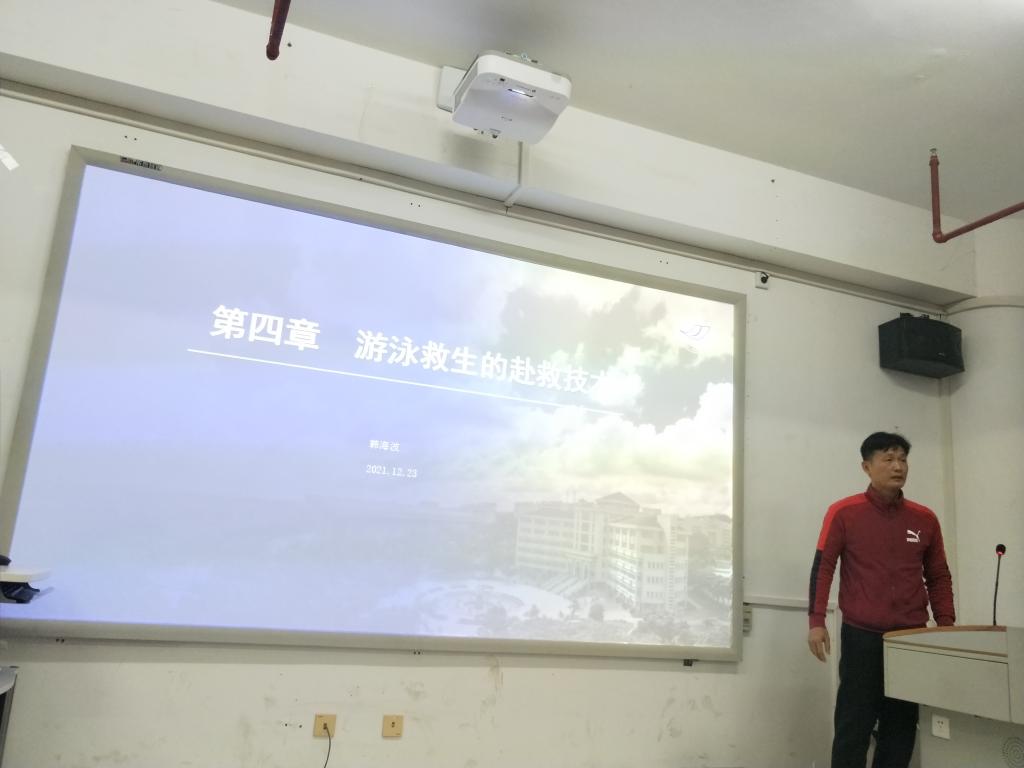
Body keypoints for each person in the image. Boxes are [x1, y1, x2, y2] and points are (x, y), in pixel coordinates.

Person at [807, 431, 955, 768]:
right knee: (853, 726)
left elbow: (939, 576)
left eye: (902, 459)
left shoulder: (925, 518)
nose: (898, 466)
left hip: (911, 639)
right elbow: (823, 567)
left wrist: (946, 626)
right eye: (888, 459)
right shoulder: (843, 512)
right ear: (867, 467)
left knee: (901, 729)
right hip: (862, 637)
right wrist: (816, 621)